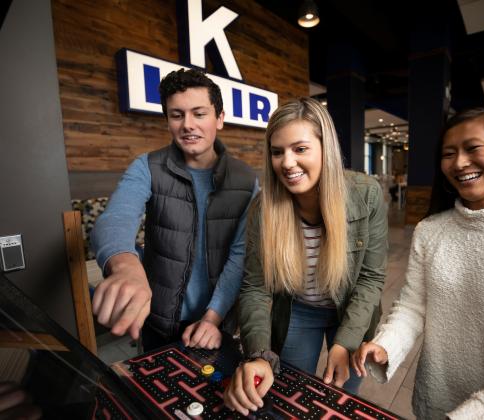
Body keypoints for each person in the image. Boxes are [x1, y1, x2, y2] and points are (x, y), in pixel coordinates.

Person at [352, 107, 484, 419]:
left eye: (473, 148)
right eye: (449, 153)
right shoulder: (431, 230)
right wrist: (387, 345)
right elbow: (413, 306)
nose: (460, 163)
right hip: (434, 405)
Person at [224, 98, 388, 416]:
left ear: (325, 149)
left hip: (351, 313)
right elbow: (255, 287)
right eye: (277, 152)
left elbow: (371, 278)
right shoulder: (263, 209)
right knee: (292, 395)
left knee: (341, 399)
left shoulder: (366, 193)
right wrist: (259, 354)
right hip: (299, 311)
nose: (286, 163)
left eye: (300, 149)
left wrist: (345, 343)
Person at [91, 68, 257, 351]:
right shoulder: (147, 166)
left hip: (218, 320)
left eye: (199, 114)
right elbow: (117, 217)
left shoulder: (246, 180)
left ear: (219, 119)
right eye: (177, 115)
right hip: (159, 320)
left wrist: (212, 319)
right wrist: (125, 266)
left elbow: (240, 256)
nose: (187, 125)